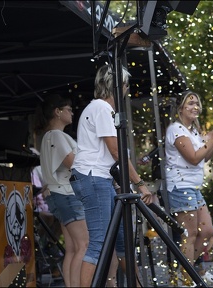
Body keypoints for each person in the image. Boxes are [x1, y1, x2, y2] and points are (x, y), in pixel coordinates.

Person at [70, 64, 153, 287]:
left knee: (123, 242)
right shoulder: (102, 108)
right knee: (98, 243)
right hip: (93, 177)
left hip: (100, 178)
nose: (126, 89)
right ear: (117, 85)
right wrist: (140, 183)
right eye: (125, 85)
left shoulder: (100, 109)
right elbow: (115, 152)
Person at [165, 90, 213, 286]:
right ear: (180, 108)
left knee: (206, 231)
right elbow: (193, 157)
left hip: (193, 187)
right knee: (190, 234)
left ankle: (188, 271)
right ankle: (187, 278)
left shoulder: (193, 131)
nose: (195, 106)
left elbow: (205, 157)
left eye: (197, 103)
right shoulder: (176, 130)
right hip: (180, 186)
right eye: (190, 103)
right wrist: (212, 138)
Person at [34, 94, 89, 287]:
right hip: (66, 194)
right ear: (58, 112)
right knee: (84, 245)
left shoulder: (49, 137)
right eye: (69, 109)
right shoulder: (56, 135)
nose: (72, 113)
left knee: (73, 248)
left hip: (59, 194)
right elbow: (72, 162)